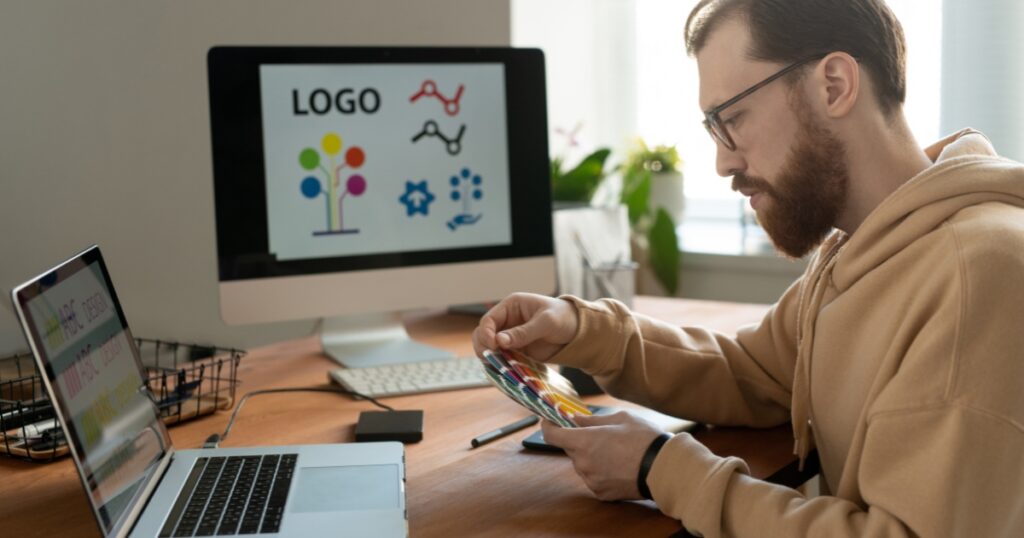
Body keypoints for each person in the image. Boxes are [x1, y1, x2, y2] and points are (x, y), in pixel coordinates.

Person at [472, 0, 1024, 536]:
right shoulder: (867, 246)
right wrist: (584, 330)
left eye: (732, 117)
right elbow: (756, 373)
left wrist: (660, 467)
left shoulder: (979, 275)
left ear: (834, 85)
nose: (722, 162)